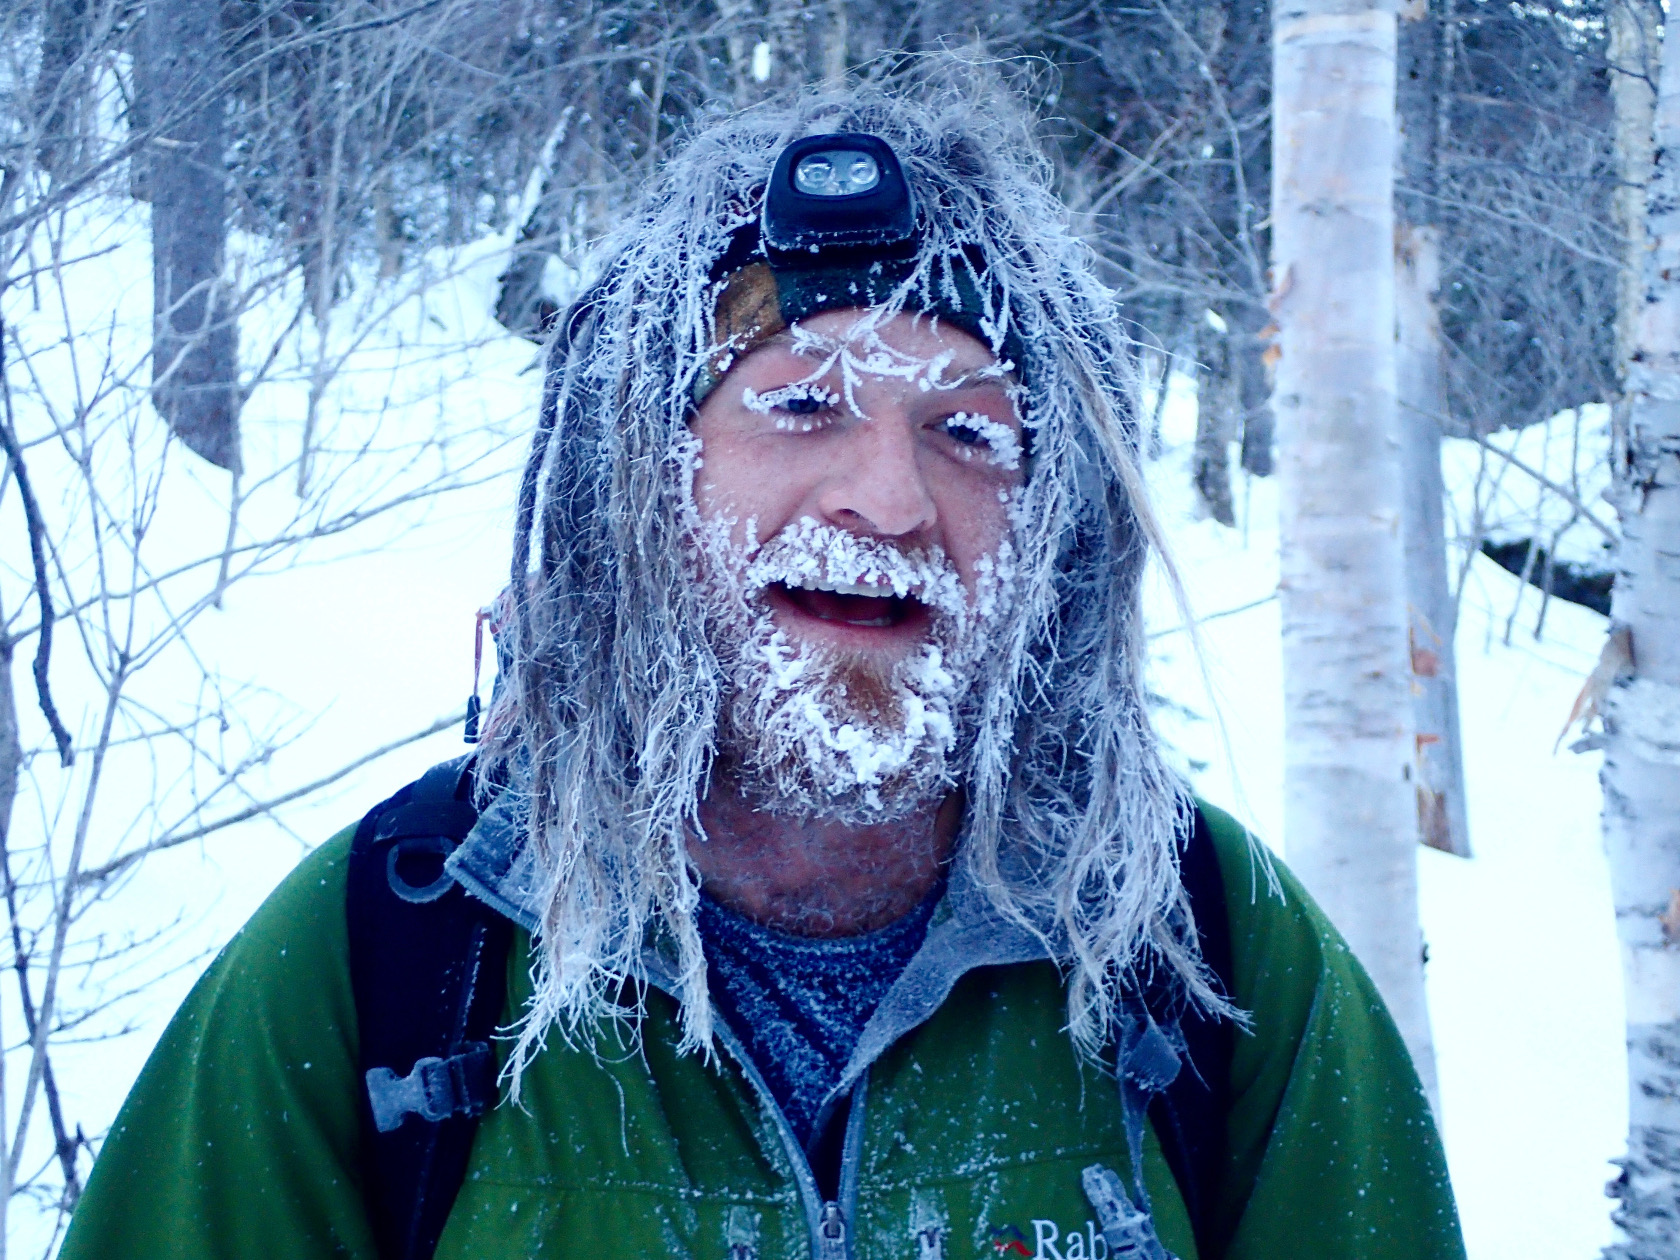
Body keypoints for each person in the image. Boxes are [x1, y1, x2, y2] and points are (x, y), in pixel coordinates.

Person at [61, 74, 1465, 1260]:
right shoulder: (393, 955)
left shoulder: (1206, 949)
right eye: (802, 406)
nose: (893, 501)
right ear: (643, 485)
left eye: (970, 433)